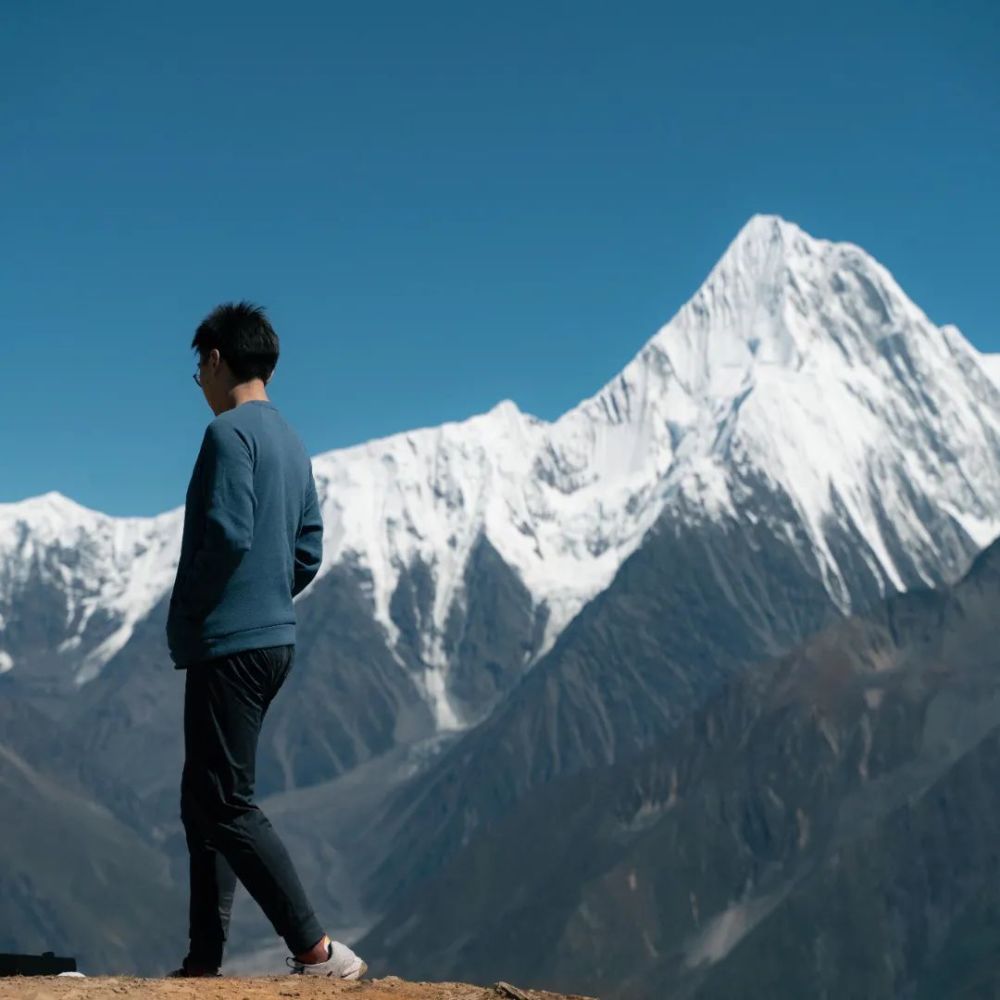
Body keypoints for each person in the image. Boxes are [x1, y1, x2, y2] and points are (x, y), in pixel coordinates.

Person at [165, 301, 366, 980]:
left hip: (228, 641)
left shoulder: (229, 437)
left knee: (226, 802)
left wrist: (190, 608)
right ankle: (204, 958)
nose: (200, 383)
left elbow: (225, 533)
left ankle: (317, 952)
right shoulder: (290, 440)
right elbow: (307, 548)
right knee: (205, 799)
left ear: (218, 360)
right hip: (274, 639)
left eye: (200, 368)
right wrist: (271, 596)